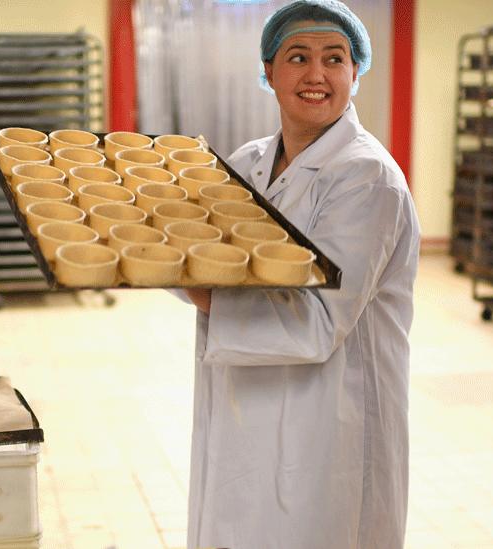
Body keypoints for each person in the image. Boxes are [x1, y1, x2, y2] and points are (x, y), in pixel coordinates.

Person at [181, 1, 420, 547]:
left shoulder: (367, 178)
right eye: (297, 57)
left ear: (355, 73)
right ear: (268, 72)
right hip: (245, 403)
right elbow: (202, 254)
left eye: (334, 59)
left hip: (331, 418)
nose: (316, 74)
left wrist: (200, 291)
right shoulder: (247, 164)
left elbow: (315, 323)